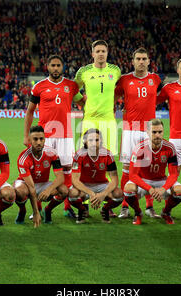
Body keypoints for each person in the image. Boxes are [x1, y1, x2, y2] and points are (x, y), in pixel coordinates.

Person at [25, 54, 82, 219]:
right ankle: (38, 209)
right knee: (39, 171)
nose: (55, 68)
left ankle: (66, 207)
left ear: (62, 67)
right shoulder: (39, 86)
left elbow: (82, 101)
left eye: (58, 65)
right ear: (48, 67)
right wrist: (26, 136)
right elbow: (29, 111)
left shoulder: (71, 86)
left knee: (66, 171)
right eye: (53, 65)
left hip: (65, 136)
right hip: (44, 136)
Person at [74, 40, 122, 215]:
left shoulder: (115, 71)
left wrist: (113, 103)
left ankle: (106, 203)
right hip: (89, 121)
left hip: (109, 121)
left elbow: (119, 91)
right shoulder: (84, 71)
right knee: (86, 161)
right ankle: (84, 202)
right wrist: (81, 102)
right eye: (98, 51)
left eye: (103, 51)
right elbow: (73, 89)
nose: (101, 54)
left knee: (107, 162)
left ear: (107, 53)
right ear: (92, 53)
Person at [114, 47, 163, 219]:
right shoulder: (125, 80)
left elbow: (163, 96)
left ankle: (149, 208)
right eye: (138, 59)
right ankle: (125, 207)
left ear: (149, 61)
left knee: (148, 169)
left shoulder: (155, 79)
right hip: (130, 129)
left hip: (149, 129)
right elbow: (113, 97)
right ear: (133, 61)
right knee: (127, 169)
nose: (141, 62)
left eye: (144, 59)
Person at [123, 119, 181, 225]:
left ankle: (166, 212)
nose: (157, 135)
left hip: (161, 181)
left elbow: (173, 174)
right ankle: (138, 213)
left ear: (163, 132)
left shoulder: (170, 148)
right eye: (154, 132)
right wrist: (150, 189)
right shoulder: (140, 148)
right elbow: (133, 175)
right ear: (147, 132)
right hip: (143, 181)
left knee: (180, 191)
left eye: (160, 132)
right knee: (128, 189)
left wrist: (163, 189)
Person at [68, 128, 123, 224]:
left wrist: (103, 194)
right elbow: (75, 180)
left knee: (119, 194)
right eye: (90, 140)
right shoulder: (79, 155)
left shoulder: (107, 154)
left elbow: (114, 179)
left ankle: (105, 210)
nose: (94, 143)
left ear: (101, 141)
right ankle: (82, 210)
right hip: (84, 185)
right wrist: (91, 193)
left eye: (97, 140)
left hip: (102, 184)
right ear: (85, 141)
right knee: (72, 193)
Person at [14, 125, 67, 225]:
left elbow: (60, 177)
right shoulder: (23, 158)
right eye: (35, 139)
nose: (39, 142)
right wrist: (35, 212)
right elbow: (31, 187)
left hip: (43, 184)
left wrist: (48, 190)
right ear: (30, 140)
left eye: (41, 139)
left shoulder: (52, 153)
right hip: (26, 183)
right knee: (20, 192)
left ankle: (47, 210)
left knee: (64, 190)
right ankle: (22, 211)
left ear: (44, 139)